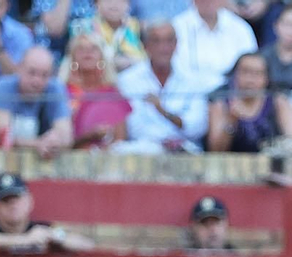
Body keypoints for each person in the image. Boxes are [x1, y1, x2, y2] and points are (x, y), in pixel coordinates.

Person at [119, 19, 211, 151]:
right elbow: (134, 128)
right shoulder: (128, 80)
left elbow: (198, 127)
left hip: (186, 152)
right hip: (144, 152)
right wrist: (166, 141)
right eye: (156, 41)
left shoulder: (193, 80)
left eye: (169, 41)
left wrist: (163, 111)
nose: (163, 48)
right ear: (145, 46)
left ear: (176, 44)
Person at [0, 172, 94, 252]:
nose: (12, 205)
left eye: (16, 199)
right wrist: (26, 240)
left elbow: (87, 245)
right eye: (5, 200)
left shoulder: (43, 229)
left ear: (29, 201)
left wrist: (54, 237)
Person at [0, 44, 73, 155]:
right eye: (32, 73)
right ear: (19, 69)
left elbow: (66, 137)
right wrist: (38, 144)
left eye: (44, 75)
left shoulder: (56, 88)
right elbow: (2, 135)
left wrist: (55, 141)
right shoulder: (4, 86)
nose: (37, 81)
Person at [207, 50, 290, 151]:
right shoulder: (220, 101)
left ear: (267, 78)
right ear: (235, 74)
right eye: (245, 72)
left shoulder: (278, 101)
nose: (250, 79)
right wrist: (231, 122)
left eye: (257, 73)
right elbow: (215, 150)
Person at [64, 32, 132, 148]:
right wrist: (88, 136)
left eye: (93, 49)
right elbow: (60, 139)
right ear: (72, 57)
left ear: (102, 57)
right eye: (81, 49)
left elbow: (120, 139)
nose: (87, 53)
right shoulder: (63, 92)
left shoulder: (112, 94)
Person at [172, 0, 259, 89]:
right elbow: (177, 71)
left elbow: (251, 66)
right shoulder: (177, 28)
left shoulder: (241, 28)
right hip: (189, 95)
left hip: (231, 96)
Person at [81, 0, 146, 72]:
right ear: (96, 4)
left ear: (128, 5)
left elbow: (144, 58)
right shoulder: (86, 28)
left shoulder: (135, 26)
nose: (114, 5)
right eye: (108, 1)